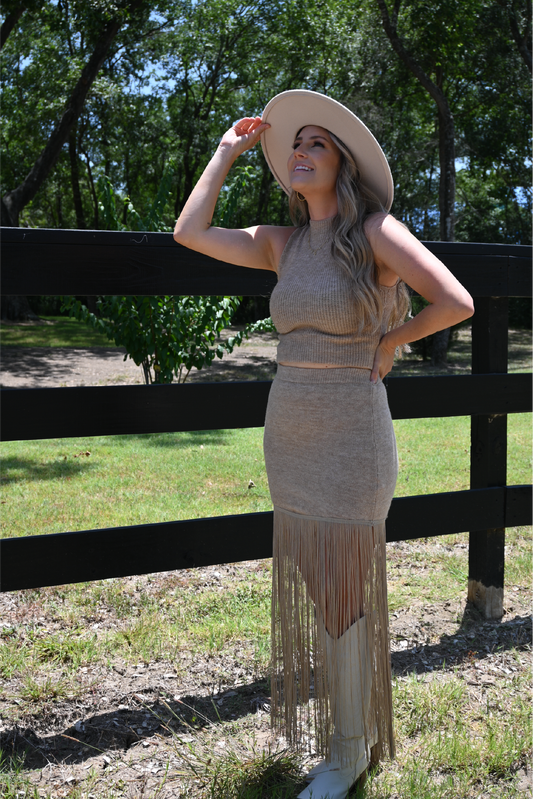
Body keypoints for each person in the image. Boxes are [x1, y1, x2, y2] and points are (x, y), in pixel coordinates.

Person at [174, 90, 474, 799]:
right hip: (290, 428)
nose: (299, 153)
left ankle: (346, 752)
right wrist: (225, 151)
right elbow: (188, 231)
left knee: (343, 589)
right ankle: (355, 733)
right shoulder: (280, 242)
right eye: (294, 146)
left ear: (341, 163)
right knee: (320, 584)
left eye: (315, 144)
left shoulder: (375, 230)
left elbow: (454, 301)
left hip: (351, 430)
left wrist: (389, 342)